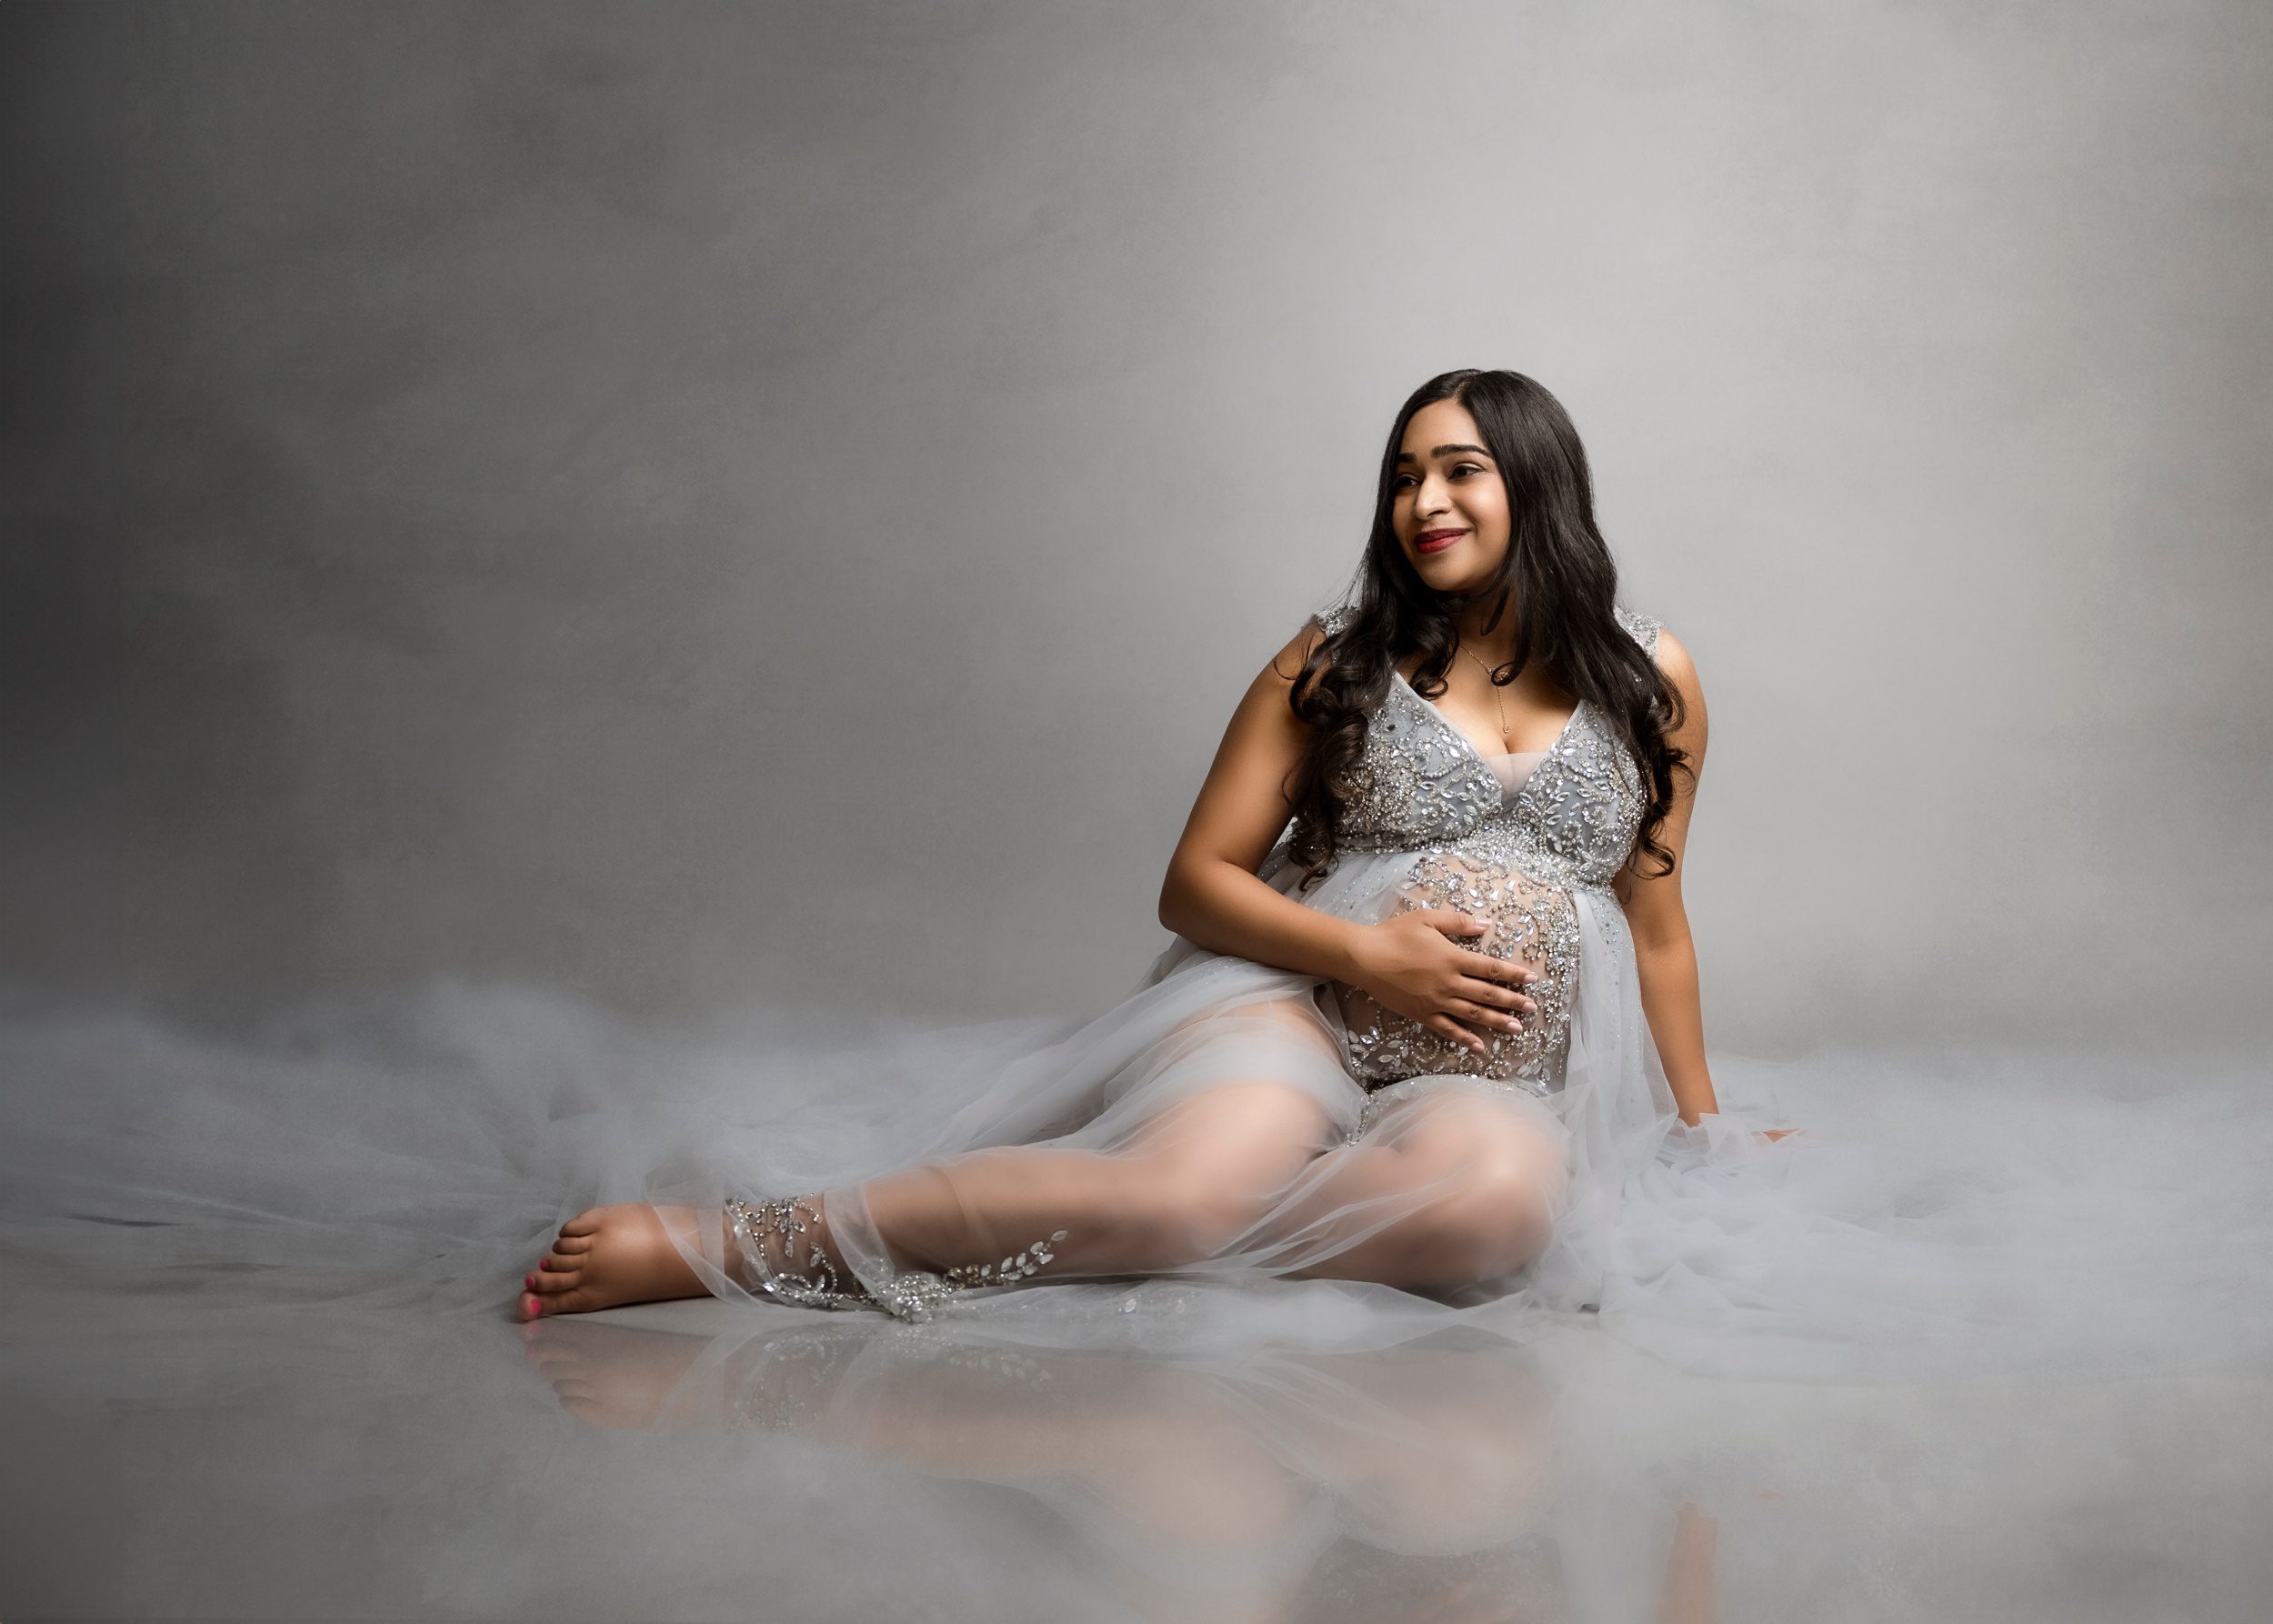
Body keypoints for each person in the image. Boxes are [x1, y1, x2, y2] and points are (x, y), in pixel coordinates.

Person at [515, 367, 1787, 1328]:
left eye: (1459, 470)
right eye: (1402, 477)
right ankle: (734, 1243)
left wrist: (1698, 1121)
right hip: (1300, 1009)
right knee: (1183, 1193)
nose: (1423, 502)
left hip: (1484, 1084)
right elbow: (1194, 884)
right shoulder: (1334, 659)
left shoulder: (1650, 675)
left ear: (1537, 480)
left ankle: (1238, 1195)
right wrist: (1370, 957)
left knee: (1497, 1219)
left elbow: (1656, 920)